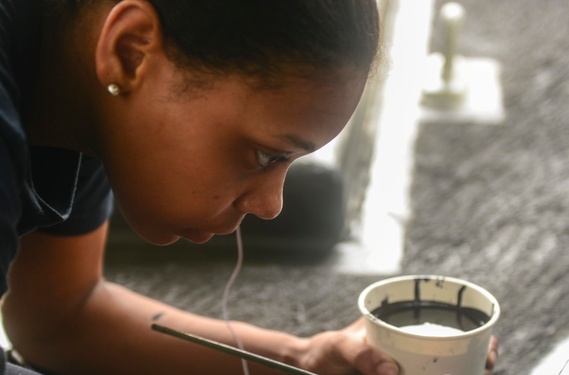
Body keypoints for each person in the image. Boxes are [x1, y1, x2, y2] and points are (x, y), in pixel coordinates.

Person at [0, 0, 498, 374]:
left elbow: (59, 317)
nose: (270, 204)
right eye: (264, 155)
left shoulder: (83, 82)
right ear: (132, 52)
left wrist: (303, 358)